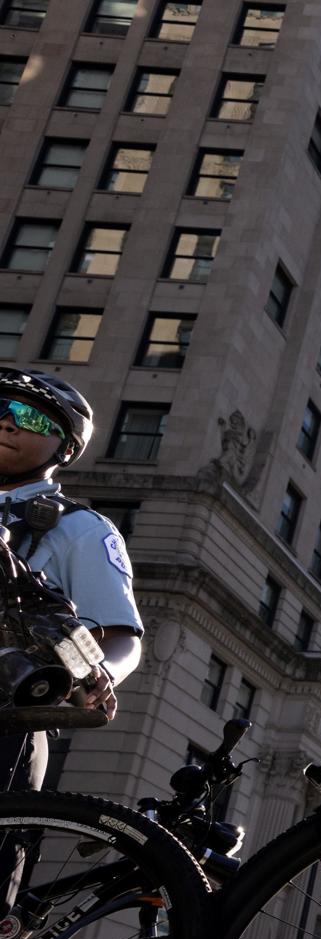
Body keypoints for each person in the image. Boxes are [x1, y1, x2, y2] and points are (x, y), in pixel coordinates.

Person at [0, 369, 142, 911]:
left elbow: (120, 635)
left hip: (8, 721)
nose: (8, 423)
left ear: (65, 447)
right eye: (1, 409)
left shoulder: (80, 528)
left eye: (30, 417)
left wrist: (97, 677)